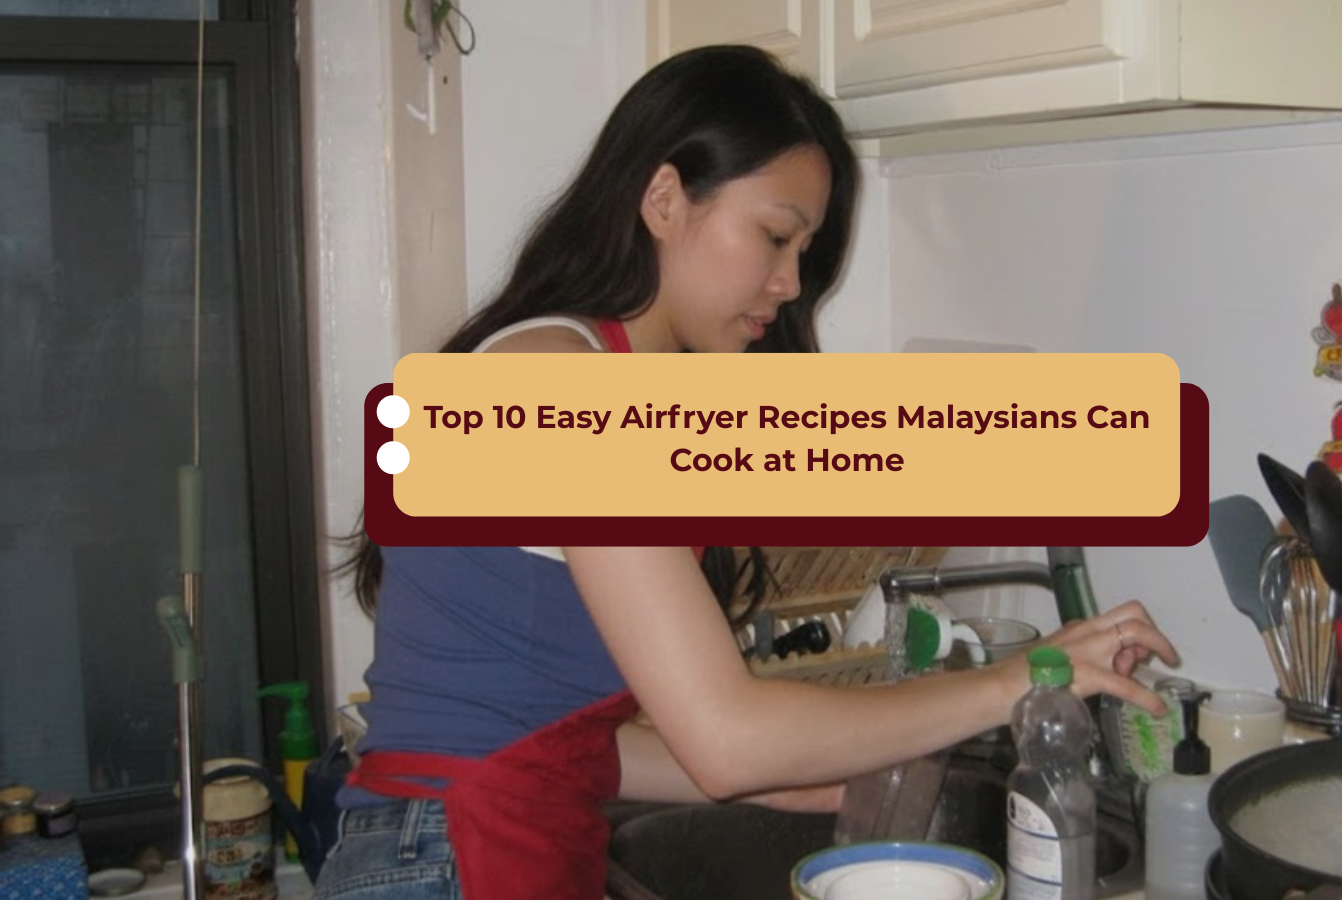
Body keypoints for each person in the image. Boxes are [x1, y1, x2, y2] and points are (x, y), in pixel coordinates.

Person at [315, 45, 1179, 900]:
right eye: (773, 235)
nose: (788, 281)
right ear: (663, 198)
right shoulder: (559, 380)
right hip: (448, 856)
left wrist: (757, 781)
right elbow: (725, 732)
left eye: (803, 249)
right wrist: (1016, 679)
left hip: (457, 843)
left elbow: (543, 735)